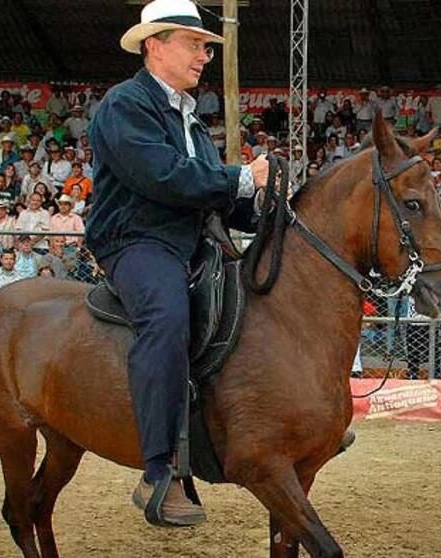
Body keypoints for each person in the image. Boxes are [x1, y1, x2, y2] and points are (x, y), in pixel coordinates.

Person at [85, 0, 270, 527]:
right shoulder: (125, 106)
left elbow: (215, 197)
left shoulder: (189, 116)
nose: (204, 56)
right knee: (165, 319)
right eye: (195, 45)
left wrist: (268, 206)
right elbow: (163, 177)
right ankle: (157, 469)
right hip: (138, 241)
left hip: (190, 240)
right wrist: (239, 177)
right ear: (154, 45)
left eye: (207, 47)